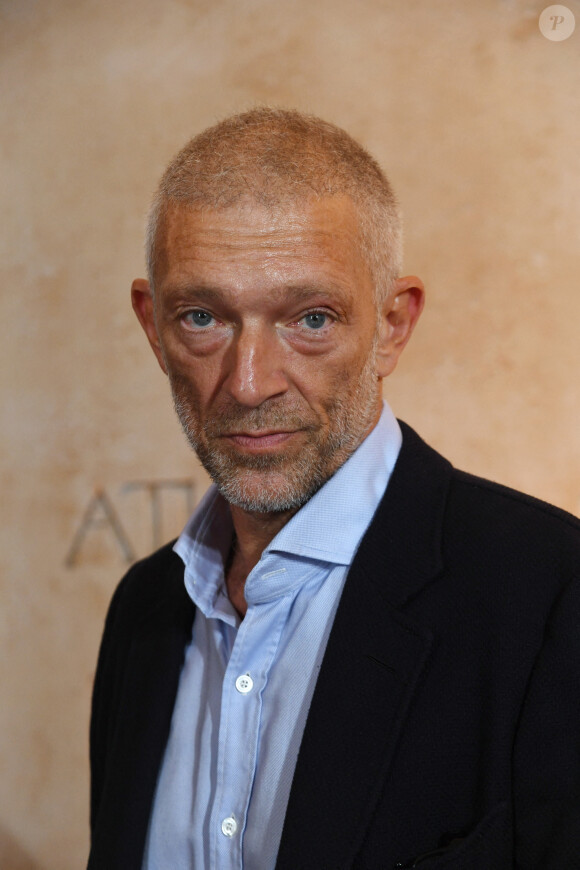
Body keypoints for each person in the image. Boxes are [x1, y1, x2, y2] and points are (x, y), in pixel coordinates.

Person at [87, 108, 580, 870]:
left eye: (310, 318)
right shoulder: (144, 611)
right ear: (154, 328)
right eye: (203, 317)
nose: (249, 384)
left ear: (392, 326)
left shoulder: (551, 593)